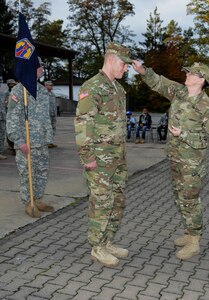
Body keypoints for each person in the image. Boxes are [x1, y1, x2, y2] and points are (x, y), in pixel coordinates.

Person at [132, 60, 209, 260]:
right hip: (174, 157)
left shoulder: (208, 106)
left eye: (191, 73)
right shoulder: (179, 92)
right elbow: (159, 83)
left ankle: (194, 240)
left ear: (202, 79)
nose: (186, 75)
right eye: (187, 72)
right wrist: (144, 70)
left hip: (191, 163)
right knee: (180, 197)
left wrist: (184, 135)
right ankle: (189, 233)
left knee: (190, 200)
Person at [74, 42, 132, 268]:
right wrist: (87, 156)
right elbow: (83, 124)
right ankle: (97, 247)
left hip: (117, 157)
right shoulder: (93, 86)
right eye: (124, 64)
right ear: (111, 59)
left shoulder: (117, 88)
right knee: (101, 202)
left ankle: (108, 241)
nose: (126, 69)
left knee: (116, 200)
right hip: (98, 159)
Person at [6, 58, 54, 218]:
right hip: (26, 142)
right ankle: (29, 203)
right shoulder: (18, 91)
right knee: (27, 174)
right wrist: (19, 142)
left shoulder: (41, 91)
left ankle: (38, 199)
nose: (42, 69)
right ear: (30, 68)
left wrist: (48, 136)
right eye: (39, 66)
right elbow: (12, 119)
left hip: (41, 141)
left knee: (41, 172)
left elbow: (45, 117)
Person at [44, 81, 58, 148]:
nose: (51, 86)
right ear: (45, 86)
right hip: (46, 114)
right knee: (47, 128)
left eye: (52, 85)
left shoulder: (52, 94)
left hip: (53, 114)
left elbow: (54, 104)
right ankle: (46, 142)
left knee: (53, 127)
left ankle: (51, 141)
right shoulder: (43, 94)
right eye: (49, 85)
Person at [0, 78, 7, 160]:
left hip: (2, 115)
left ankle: (0, 152)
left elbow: (8, 99)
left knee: (2, 135)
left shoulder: (4, 90)